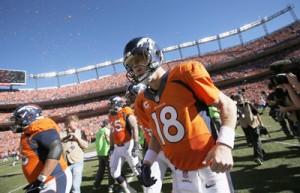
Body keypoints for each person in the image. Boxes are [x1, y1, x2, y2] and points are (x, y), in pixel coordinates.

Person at [123, 37, 237, 193]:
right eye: (131, 64)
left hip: (210, 167)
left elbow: (227, 104)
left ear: (155, 54)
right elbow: (156, 135)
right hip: (180, 173)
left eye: (139, 59)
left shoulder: (184, 74)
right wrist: (148, 163)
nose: (136, 67)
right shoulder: (141, 101)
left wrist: (224, 144)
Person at [125, 83, 175, 193]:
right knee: (150, 188)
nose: (129, 99)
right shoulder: (138, 111)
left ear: (140, 93)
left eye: (132, 96)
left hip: (172, 150)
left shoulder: (155, 105)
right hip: (155, 152)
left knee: (184, 186)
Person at [10, 104, 72, 193]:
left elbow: (56, 148)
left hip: (54, 178)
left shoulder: (40, 126)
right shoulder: (29, 132)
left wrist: (41, 178)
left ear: (29, 116)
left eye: (18, 120)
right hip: (43, 181)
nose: (16, 123)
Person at [108, 95, 140, 193]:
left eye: (112, 104)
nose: (111, 106)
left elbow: (135, 127)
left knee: (137, 170)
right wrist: (112, 146)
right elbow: (112, 132)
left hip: (128, 144)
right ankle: (128, 190)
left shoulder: (125, 110)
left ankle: (148, 189)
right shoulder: (111, 116)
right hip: (117, 147)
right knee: (114, 172)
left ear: (117, 103)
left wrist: (136, 144)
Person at [60, 115, 88, 193]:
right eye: (74, 122)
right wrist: (64, 139)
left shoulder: (80, 132)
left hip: (77, 162)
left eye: (77, 122)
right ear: (68, 123)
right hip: (65, 164)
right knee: (66, 187)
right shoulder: (61, 134)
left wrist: (77, 139)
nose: (76, 123)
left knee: (75, 187)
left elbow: (86, 146)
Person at [235, 94, 265, 165]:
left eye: (239, 98)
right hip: (245, 127)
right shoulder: (235, 107)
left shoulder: (248, 104)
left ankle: (258, 157)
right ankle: (261, 152)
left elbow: (256, 114)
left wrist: (261, 123)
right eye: (237, 99)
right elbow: (235, 117)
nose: (238, 100)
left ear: (242, 98)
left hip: (253, 125)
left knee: (256, 141)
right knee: (250, 142)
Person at [93, 119, 115, 192]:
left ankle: (96, 185)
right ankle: (111, 187)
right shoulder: (107, 131)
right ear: (107, 124)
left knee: (101, 170)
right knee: (111, 170)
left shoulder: (98, 132)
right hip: (107, 152)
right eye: (110, 124)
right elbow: (109, 141)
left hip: (100, 153)